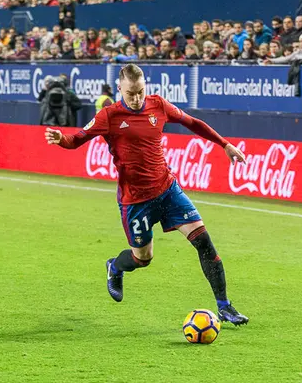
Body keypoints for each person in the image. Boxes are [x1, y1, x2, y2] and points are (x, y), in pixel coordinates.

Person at [44, 64, 250, 326]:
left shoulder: (158, 105)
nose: (137, 98)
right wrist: (61, 138)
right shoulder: (109, 116)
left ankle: (224, 306)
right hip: (136, 201)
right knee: (143, 258)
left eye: (141, 91)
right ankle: (115, 267)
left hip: (168, 190)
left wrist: (225, 144)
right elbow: (77, 139)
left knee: (204, 243)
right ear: (120, 89)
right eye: (131, 93)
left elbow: (193, 123)